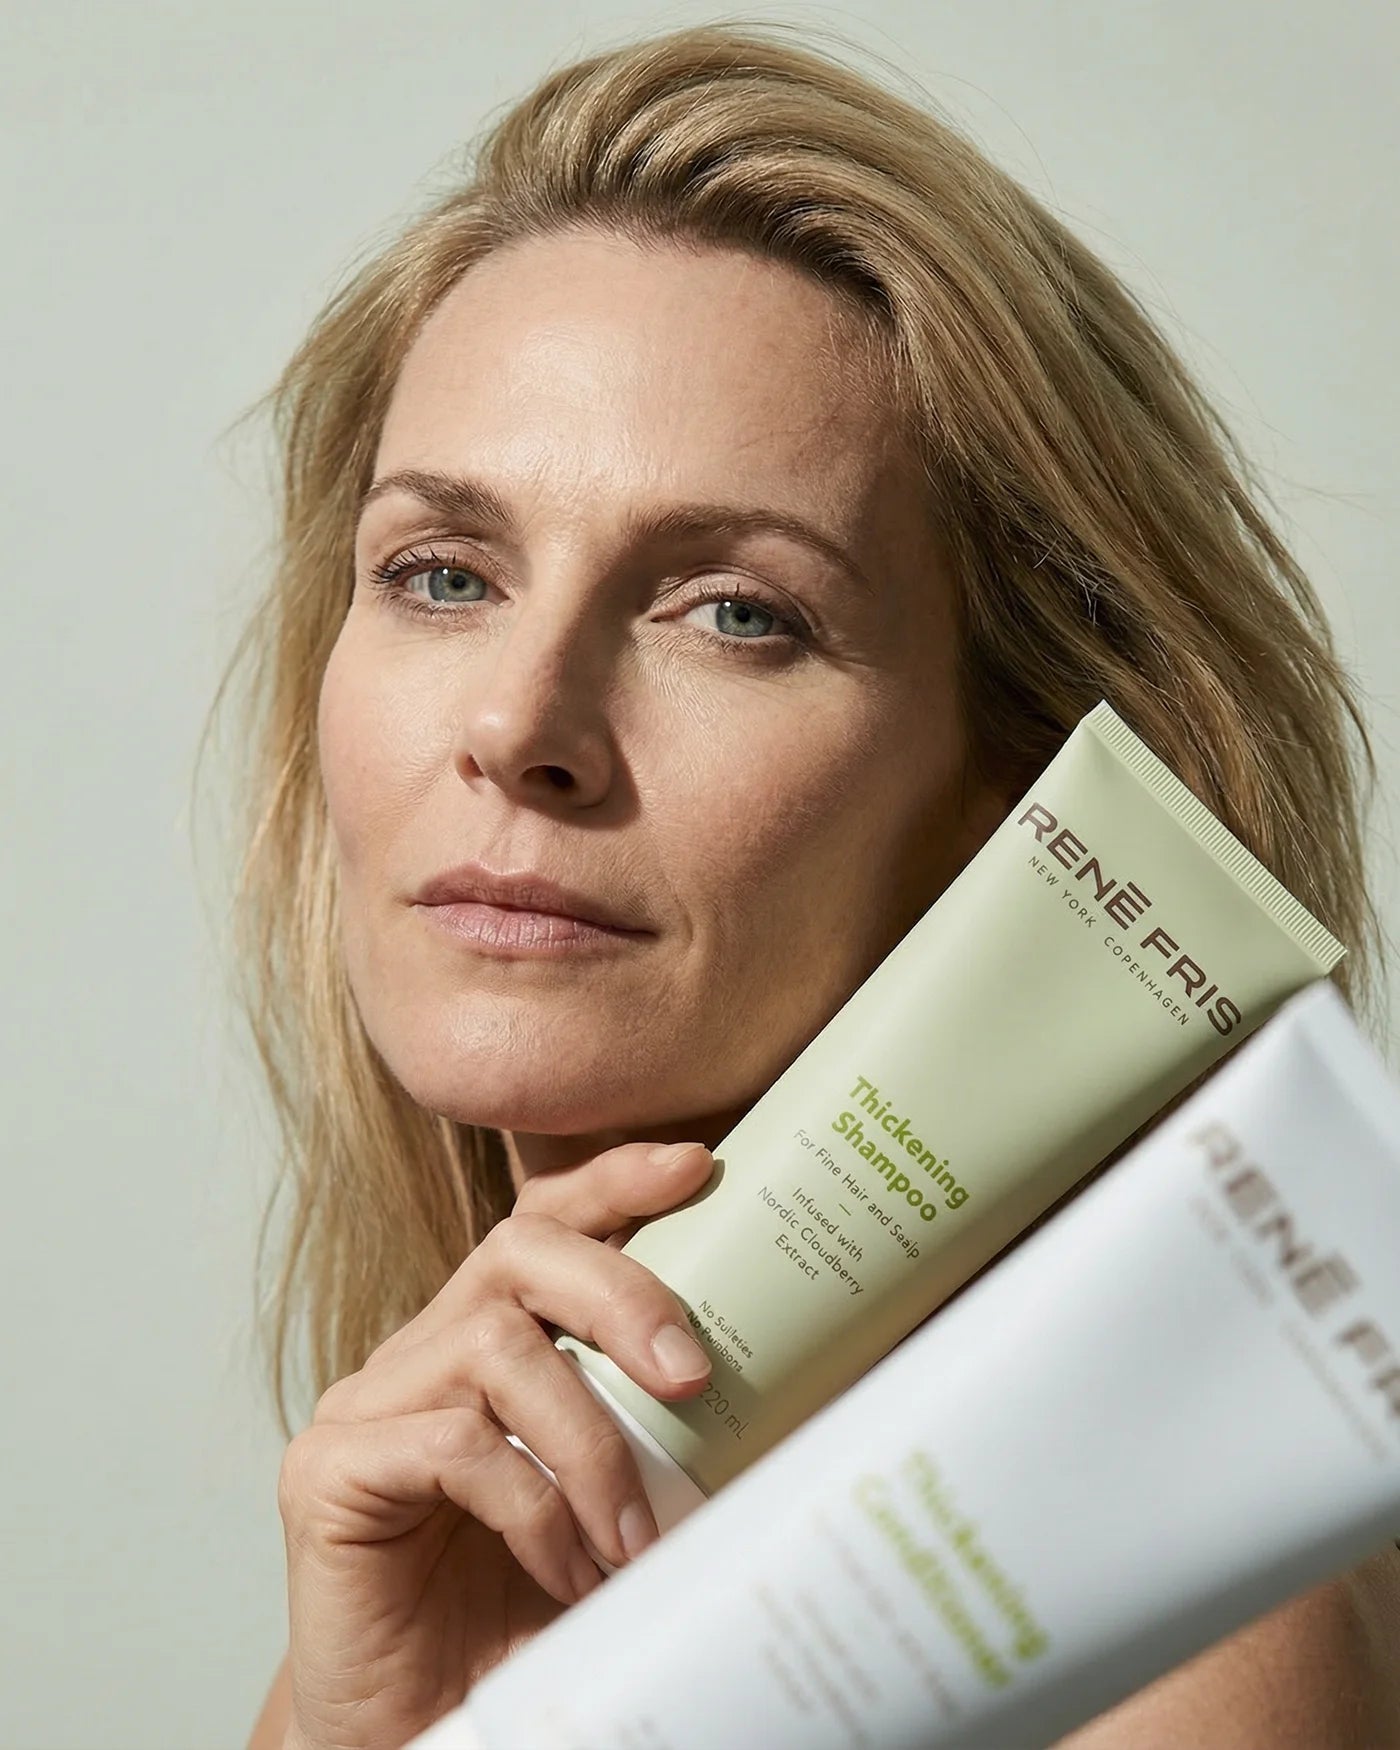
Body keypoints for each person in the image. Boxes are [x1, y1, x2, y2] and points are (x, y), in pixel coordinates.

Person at [215, 21, 1399, 1749]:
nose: (520, 725)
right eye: (444, 573)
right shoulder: (434, 1566)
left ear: (1021, 791)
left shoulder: (1163, 1639)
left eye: (738, 613)